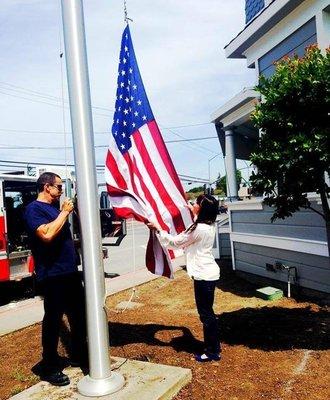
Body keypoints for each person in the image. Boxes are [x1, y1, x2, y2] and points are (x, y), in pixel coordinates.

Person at [24, 172, 88, 386]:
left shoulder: (55, 208)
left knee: (79, 316)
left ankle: (80, 354)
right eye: (59, 187)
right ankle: (48, 365)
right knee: (53, 320)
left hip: (69, 272)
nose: (61, 191)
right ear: (46, 187)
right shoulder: (34, 209)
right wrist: (64, 213)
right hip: (52, 275)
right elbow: (47, 235)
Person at [147, 194, 221, 362]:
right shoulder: (209, 225)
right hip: (209, 273)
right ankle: (214, 347)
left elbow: (175, 242)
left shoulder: (199, 229)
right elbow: (197, 221)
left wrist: (159, 228)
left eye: (195, 203)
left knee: (206, 315)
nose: (192, 204)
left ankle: (212, 351)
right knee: (208, 313)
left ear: (201, 209)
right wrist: (192, 210)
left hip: (204, 275)